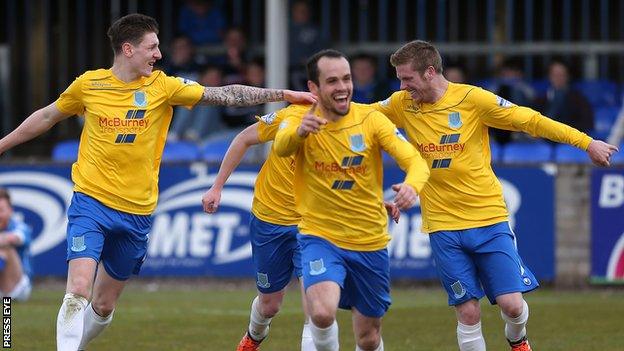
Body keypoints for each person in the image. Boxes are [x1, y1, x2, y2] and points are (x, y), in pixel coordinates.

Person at [0, 13, 315, 351]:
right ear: (128, 49)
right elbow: (47, 116)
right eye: (152, 47)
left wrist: (282, 92)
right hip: (90, 201)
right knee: (78, 290)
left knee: (103, 307)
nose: (158, 54)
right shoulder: (89, 85)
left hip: (137, 212)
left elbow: (224, 94)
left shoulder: (164, 87)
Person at [372, 40, 618, 351]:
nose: (402, 86)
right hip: (443, 226)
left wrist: (587, 143)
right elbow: (359, 117)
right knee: (468, 311)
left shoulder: (473, 100)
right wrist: (306, 103)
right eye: (399, 79)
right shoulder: (401, 103)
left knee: (512, 306)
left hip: (488, 219)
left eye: (407, 79)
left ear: (430, 72)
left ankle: (518, 339)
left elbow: (530, 120)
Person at [201, 104, 401, 351]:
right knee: (269, 305)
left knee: (316, 306)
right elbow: (243, 138)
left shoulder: (344, 130)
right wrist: (217, 186)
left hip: (311, 226)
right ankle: (254, 337)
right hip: (269, 220)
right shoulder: (289, 117)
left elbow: (344, 178)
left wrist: (376, 202)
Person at [273, 49, 430, 351]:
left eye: (346, 79)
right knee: (321, 312)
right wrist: (299, 135)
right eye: (332, 81)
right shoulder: (298, 118)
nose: (342, 87)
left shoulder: (371, 119)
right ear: (314, 88)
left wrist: (413, 185)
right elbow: (280, 147)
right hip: (320, 236)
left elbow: (415, 160)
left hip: (369, 241)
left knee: (368, 339)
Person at [534, 60, 594, 134]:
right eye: (555, 75)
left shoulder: (578, 99)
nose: (558, 78)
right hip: (543, 137)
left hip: (569, 138)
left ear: (568, 76)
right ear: (549, 77)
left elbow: (587, 122)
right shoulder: (540, 98)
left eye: (561, 75)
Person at [0, 188, 33, 302]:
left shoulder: (20, 227)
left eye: (1, 210)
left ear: (10, 210)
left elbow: (14, 238)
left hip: (19, 286)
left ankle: (6, 306)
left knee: (5, 247)